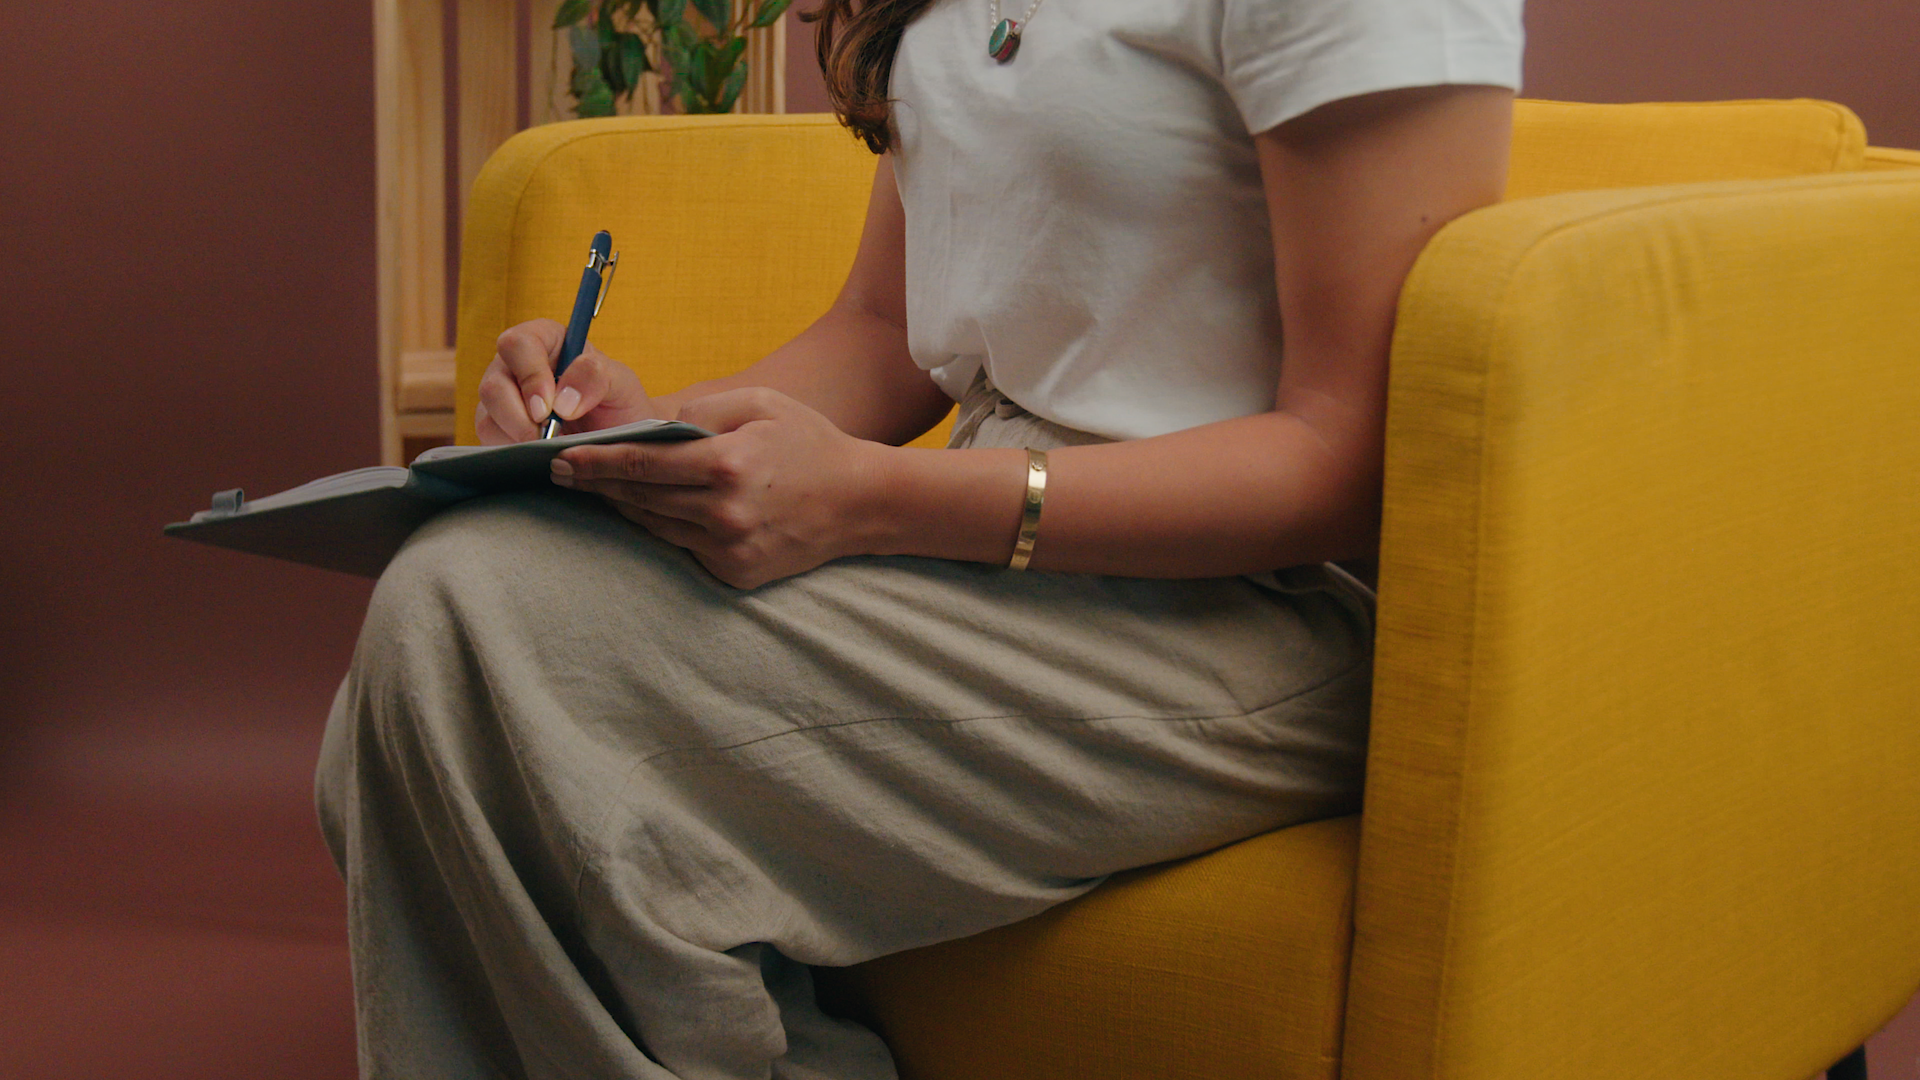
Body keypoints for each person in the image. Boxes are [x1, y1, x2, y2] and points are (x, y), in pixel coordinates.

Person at [316, 0, 1522, 1075]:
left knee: (468, 627)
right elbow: (888, 332)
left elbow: (1353, 458)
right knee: (444, 640)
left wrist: (874, 501)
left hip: (1251, 609)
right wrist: (645, 438)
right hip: (982, 542)